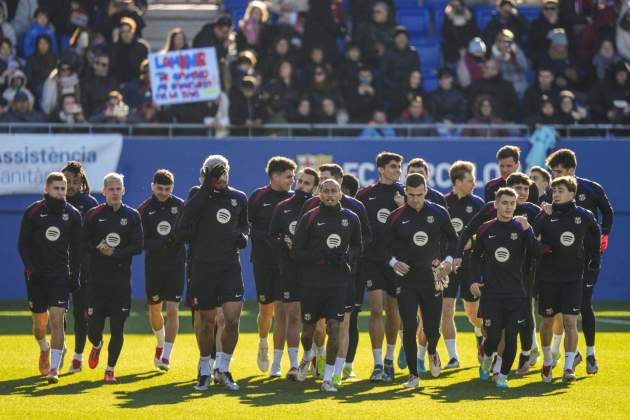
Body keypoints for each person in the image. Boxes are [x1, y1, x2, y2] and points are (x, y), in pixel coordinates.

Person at [178, 155, 248, 391]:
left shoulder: (239, 198)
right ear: (205, 174)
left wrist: (243, 236)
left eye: (222, 172)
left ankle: (224, 368)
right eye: (213, 173)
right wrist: (207, 183)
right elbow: (187, 217)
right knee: (206, 321)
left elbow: (244, 225)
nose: (219, 178)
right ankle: (205, 368)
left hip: (229, 266)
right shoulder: (197, 195)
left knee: (232, 319)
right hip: (202, 266)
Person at [299, 164, 372, 385]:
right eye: (326, 191)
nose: (330, 195)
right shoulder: (309, 216)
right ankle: (308, 354)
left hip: (339, 281)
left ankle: (329, 377)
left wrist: (346, 257)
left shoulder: (351, 217)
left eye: (334, 191)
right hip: (312, 281)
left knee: (335, 326)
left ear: (341, 192)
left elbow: (359, 246)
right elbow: (296, 251)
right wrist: (320, 256)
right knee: (309, 330)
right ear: (319, 194)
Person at [383, 173, 458, 387]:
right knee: (408, 325)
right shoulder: (396, 216)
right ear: (405, 192)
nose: (415, 199)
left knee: (432, 329)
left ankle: (432, 351)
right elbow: (383, 248)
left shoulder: (439, 212)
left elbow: (453, 240)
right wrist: (393, 262)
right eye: (411, 194)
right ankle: (413, 375)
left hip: (432, 277)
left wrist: (448, 261)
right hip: (406, 279)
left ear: (426, 191)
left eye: (419, 194)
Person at [544, 149, 613, 374]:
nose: (554, 177)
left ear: (572, 170)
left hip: (588, 259)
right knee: (558, 311)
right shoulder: (552, 193)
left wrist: (604, 235)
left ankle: (590, 354)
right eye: (552, 173)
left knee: (584, 304)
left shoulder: (592, 189)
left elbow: (608, 212)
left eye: (558, 172)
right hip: (561, 261)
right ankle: (566, 355)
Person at [470, 187, 539, 389]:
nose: (509, 207)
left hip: (516, 293)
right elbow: (475, 257)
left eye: (512, 203)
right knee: (492, 337)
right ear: (496, 205)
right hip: (491, 293)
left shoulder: (521, 228)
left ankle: (503, 375)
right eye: (504, 203)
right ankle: (487, 356)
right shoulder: (485, 229)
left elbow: (536, 253)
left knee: (511, 337)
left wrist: (529, 230)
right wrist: (474, 280)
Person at [534, 176, 600, 383]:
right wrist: (541, 249)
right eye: (554, 191)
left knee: (571, 322)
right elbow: (530, 238)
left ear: (572, 194)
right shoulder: (545, 214)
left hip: (573, 277)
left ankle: (569, 367)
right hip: (547, 278)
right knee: (546, 323)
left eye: (561, 191)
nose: (556, 195)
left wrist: (594, 258)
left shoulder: (584, 215)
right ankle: (547, 360)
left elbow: (595, 231)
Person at [18, 172, 82, 383]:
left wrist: (75, 275)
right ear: (46, 189)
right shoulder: (33, 212)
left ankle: (54, 369)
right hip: (36, 276)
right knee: (39, 325)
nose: (60, 192)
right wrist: (31, 269)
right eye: (56, 188)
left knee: (57, 321)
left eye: (63, 189)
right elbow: (23, 245)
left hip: (59, 275)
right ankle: (44, 347)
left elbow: (77, 249)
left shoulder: (72, 215)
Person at [84, 173, 143, 383]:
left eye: (118, 188)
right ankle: (97, 345)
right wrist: (97, 248)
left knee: (118, 328)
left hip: (120, 283)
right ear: (104, 191)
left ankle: (110, 369)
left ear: (123, 191)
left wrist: (115, 254)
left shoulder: (133, 216)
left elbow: (138, 246)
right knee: (94, 330)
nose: (115, 192)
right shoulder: (93, 215)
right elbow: (82, 243)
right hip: (97, 282)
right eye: (111, 189)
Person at [356, 152, 404, 382]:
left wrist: (403, 207)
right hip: (372, 261)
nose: (398, 170)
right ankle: (376, 364)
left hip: (397, 262)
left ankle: (389, 359)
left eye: (399, 167)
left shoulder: (404, 194)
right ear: (381, 169)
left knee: (393, 309)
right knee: (376, 309)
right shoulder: (365, 195)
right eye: (393, 166)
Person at [269, 167, 320, 380]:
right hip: (289, 269)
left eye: (307, 183)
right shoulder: (282, 207)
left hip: (315, 272)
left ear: (315, 188)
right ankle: (292, 365)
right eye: (299, 181)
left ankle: (318, 361)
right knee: (292, 316)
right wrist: (283, 241)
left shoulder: (320, 208)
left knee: (317, 321)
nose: (301, 186)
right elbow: (272, 236)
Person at [248, 157, 296, 377]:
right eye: (288, 177)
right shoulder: (258, 197)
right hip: (263, 261)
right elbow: (246, 227)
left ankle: (278, 362)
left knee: (283, 310)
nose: (291, 181)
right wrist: (272, 237)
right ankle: (263, 341)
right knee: (266, 310)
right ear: (275, 176)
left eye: (293, 177)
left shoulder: (294, 199)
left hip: (286, 263)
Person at [137, 170, 185, 371]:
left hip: (176, 264)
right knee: (155, 309)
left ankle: (166, 354)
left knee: (173, 310)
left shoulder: (180, 206)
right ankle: (160, 342)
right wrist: (157, 244)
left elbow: (188, 232)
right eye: (160, 188)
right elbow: (139, 241)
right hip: (154, 265)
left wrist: (178, 239)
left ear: (172, 188)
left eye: (167, 189)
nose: (163, 192)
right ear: (152, 186)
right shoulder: (144, 209)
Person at [442, 161, 485, 369]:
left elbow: (486, 233)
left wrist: (473, 242)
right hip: (448, 265)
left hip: (471, 264)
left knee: (474, 315)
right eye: (470, 180)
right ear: (458, 182)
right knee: (446, 310)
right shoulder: (442, 203)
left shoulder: (478, 204)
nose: (474, 183)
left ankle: (479, 334)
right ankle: (453, 356)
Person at [61, 161, 99, 373]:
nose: (71, 185)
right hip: (58, 266)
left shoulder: (89, 203)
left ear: (81, 182)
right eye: (67, 181)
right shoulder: (53, 202)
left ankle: (78, 356)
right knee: (57, 312)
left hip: (84, 268)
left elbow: (97, 234)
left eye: (75, 181)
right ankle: (61, 347)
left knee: (81, 314)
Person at [110, 17, 150, 84]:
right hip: (120, 83)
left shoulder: (142, 46)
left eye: (129, 31)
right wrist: (115, 43)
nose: (126, 34)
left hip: (138, 83)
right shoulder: (116, 47)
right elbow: (112, 65)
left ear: (133, 31)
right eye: (123, 32)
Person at [441, 0, 479, 66]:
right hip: (454, 50)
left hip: (468, 48)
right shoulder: (448, 17)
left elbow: (475, 34)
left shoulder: (470, 15)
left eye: (458, 6)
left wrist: (469, 20)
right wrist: (449, 20)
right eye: (454, 6)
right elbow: (446, 36)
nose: (457, 8)